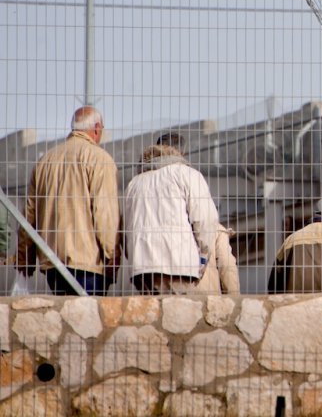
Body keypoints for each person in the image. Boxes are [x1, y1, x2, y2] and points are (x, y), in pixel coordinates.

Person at [16, 106, 121, 295]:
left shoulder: (45, 161)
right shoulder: (100, 159)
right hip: (89, 264)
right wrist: (113, 258)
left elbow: (29, 215)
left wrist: (25, 257)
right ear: (97, 128)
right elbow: (105, 215)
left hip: (52, 262)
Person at [124, 144, 221, 294]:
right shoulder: (187, 174)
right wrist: (203, 255)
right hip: (179, 264)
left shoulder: (134, 184)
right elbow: (205, 219)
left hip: (142, 268)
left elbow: (127, 228)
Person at [196, 225, 241, 294]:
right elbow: (226, 264)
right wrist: (234, 297)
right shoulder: (217, 229)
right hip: (208, 296)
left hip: (178, 293)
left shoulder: (175, 230)